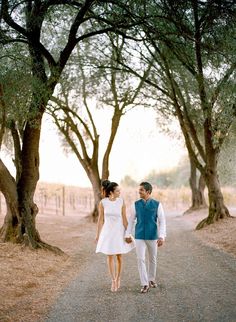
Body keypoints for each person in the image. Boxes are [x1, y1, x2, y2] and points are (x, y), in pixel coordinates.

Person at [125, 182, 166, 294]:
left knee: (152, 259)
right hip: (139, 236)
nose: (139, 192)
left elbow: (162, 221)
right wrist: (127, 234)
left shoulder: (157, 204)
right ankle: (144, 284)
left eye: (141, 190)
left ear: (148, 192)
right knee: (140, 259)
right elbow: (131, 220)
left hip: (153, 236)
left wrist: (161, 236)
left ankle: (151, 279)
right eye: (139, 190)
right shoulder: (135, 204)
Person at [95, 181, 135, 292]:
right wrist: (98, 234)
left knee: (119, 256)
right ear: (111, 192)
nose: (119, 192)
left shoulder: (121, 201)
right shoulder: (103, 202)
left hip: (119, 231)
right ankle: (112, 280)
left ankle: (118, 279)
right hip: (108, 232)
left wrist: (128, 233)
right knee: (110, 256)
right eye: (118, 191)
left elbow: (124, 218)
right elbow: (100, 220)